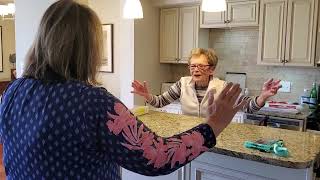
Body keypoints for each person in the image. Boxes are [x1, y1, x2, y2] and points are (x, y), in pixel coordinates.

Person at [0, 1, 247, 179]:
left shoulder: (13, 91)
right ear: (89, 49)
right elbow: (156, 157)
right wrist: (214, 125)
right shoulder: (94, 102)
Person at [132, 48, 281, 117]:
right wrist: (147, 95)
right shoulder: (182, 84)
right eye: (192, 66)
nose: (195, 69)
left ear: (212, 69)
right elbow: (160, 102)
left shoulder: (222, 87)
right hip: (187, 137)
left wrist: (263, 96)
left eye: (201, 66)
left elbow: (248, 107)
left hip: (212, 137)